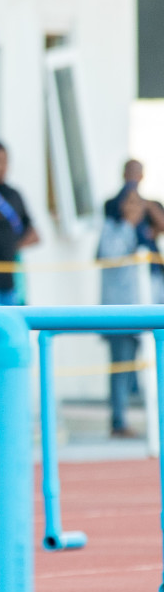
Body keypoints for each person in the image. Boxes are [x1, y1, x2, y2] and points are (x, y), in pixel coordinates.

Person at [95, 188, 163, 439]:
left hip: (150, 309)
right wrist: (127, 224)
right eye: (131, 202)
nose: (137, 208)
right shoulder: (113, 228)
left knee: (154, 368)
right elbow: (111, 255)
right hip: (121, 309)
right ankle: (118, 421)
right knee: (121, 368)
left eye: (139, 203)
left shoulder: (147, 232)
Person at [0, 141, 38, 306]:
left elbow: (34, 233)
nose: (1, 166)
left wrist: (12, 246)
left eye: (5, 161)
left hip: (12, 276)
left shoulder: (13, 195)